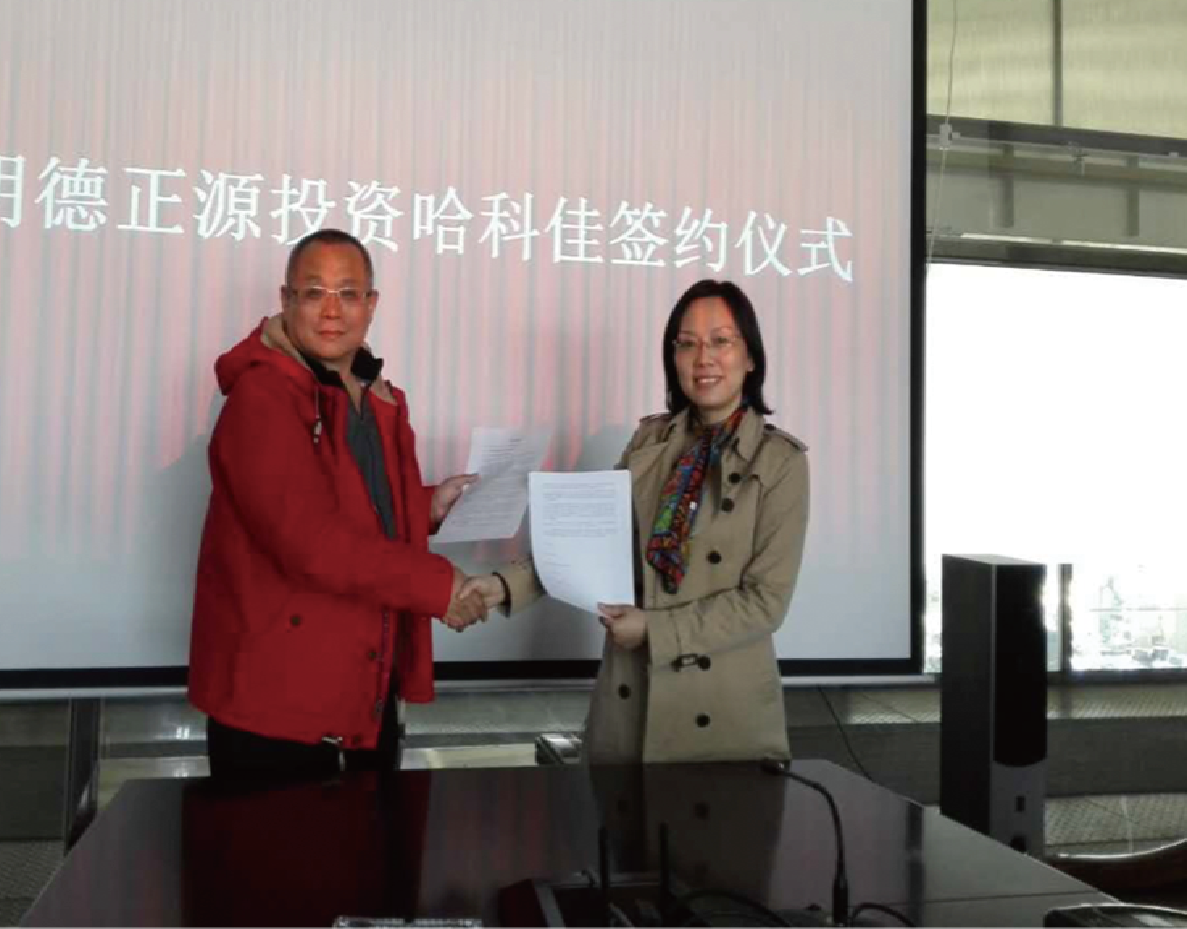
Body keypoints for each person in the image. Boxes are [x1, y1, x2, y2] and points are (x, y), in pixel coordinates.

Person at [463, 280, 809, 763]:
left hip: (722, 713)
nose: (703, 358)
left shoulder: (780, 461)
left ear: (750, 357)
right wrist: (501, 586)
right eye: (686, 344)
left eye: (721, 341)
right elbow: (593, 544)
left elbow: (765, 603)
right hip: (631, 702)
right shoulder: (650, 443)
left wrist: (655, 630)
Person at [188, 228, 487, 781]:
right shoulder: (262, 398)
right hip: (277, 707)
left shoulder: (369, 393)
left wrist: (426, 508)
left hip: (361, 691)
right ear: (286, 301)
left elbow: (356, 506)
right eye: (314, 293)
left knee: (372, 837)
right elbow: (309, 540)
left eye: (348, 294)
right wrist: (440, 586)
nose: (332, 311)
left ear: (371, 305)